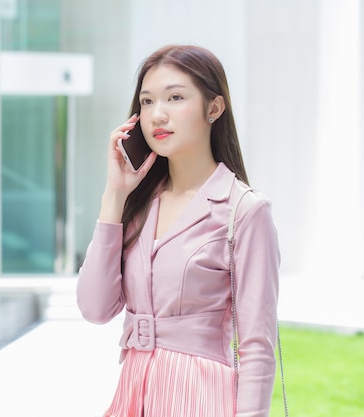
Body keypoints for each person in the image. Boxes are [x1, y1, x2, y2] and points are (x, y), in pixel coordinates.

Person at [77, 44, 280, 417]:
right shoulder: (137, 207)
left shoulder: (245, 211)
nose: (158, 114)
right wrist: (114, 197)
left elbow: (257, 345)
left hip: (203, 400)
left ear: (213, 108)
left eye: (175, 97)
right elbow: (94, 308)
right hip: (133, 398)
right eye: (148, 101)